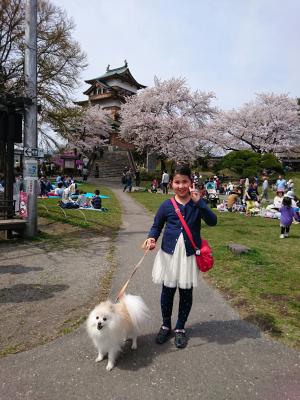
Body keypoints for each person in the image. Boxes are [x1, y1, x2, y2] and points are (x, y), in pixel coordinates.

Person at [144, 165, 217, 349]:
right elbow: (156, 226)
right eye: (177, 182)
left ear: (191, 183)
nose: (181, 185)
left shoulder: (197, 204)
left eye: (185, 181)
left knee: (186, 293)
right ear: (171, 184)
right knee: (167, 291)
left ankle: (180, 328)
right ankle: (166, 324)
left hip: (189, 256)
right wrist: (151, 238)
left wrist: (200, 202)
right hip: (169, 255)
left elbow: (213, 221)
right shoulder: (166, 205)